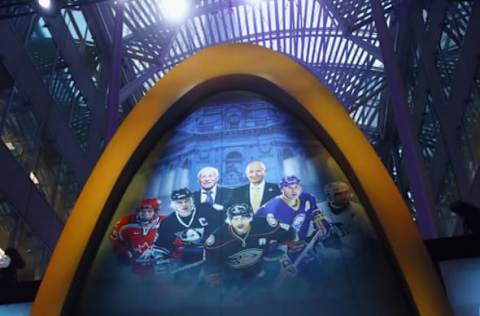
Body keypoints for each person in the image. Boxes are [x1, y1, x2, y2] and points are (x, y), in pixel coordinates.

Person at [203, 203, 299, 286]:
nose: (239, 222)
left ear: (250, 217)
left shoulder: (264, 225)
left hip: (260, 267)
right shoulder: (218, 238)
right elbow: (209, 256)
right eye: (235, 218)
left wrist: (290, 241)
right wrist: (212, 273)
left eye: (243, 217)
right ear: (229, 221)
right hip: (230, 273)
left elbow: (288, 231)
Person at [156, 188, 223, 263]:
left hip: (213, 252)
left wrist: (215, 235)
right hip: (184, 260)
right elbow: (162, 244)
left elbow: (224, 223)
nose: (184, 204)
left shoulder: (205, 209)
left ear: (192, 200)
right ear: (173, 205)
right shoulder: (167, 222)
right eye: (179, 202)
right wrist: (160, 257)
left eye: (186, 201)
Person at [317, 181, 374, 258]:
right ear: (329, 196)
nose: (344, 197)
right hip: (329, 257)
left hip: (355, 257)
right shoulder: (319, 209)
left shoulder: (358, 210)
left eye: (346, 193)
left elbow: (370, 234)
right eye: (338, 194)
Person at [110, 198, 166, 275]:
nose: (146, 213)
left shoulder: (165, 221)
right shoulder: (125, 222)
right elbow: (115, 241)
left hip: (160, 267)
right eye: (143, 211)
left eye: (149, 211)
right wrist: (124, 252)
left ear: (155, 212)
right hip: (134, 268)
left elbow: (176, 240)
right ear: (138, 211)